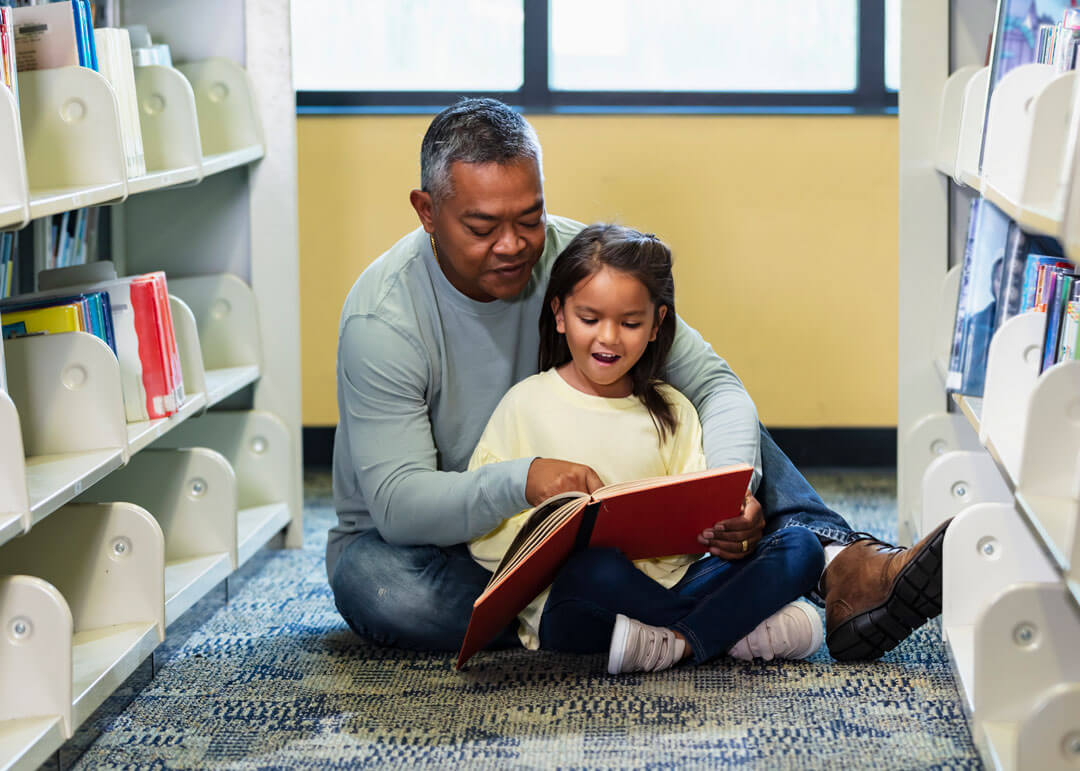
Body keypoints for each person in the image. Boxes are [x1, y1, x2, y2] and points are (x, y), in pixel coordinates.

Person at [329, 97, 950, 663]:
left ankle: (840, 569)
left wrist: (725, 490)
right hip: (451, 544)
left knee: (708, 416)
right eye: (483, 227)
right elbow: (400, 506)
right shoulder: (383, 318)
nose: (514, 245)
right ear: (427, 212)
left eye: (531, 217)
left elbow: (715, 385)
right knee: (379, 588)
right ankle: (702, 618)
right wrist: (523, 479)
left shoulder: (578, 263)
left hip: (609, 531)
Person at [467, 223, 825, 673]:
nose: (609, 338)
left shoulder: (673, 409)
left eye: (630, 323)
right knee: (596, 570)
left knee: (801, 545)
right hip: (579, 601)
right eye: (590, 319)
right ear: (560, 314)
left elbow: (700, 511)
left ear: (657, 325)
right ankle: (726, 630)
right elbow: (482, 534)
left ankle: (677, 642)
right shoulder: (524, 405)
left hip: (676, 584)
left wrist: (728, 526)